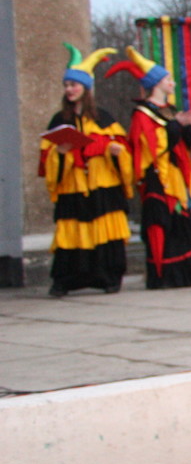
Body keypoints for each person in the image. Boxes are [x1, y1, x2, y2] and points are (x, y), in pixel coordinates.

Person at [120, 48, 191, 289]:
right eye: (168, 80)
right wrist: (176, 126)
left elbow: (181, 145)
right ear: (156, 84)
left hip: (178, 176)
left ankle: (190, 271)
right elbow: (150, 146)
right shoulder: (143, 114)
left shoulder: (170, 110)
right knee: (165, 222)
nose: (172, 83)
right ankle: (165, 273)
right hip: (159, 178)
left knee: (186, 218)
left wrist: (187, 129)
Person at [39, 46, 133, 297]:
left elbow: (124, 150)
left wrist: (116, 152)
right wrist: (60, 154)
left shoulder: (105, 118)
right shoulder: (58, 120)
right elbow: (47, 158)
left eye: (74, 85)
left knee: (107, 231)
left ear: (86, 88)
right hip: (74, 186)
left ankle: (109, 277)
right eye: (67, 85)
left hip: (103, 185)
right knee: (71, 233)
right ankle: (65, 281)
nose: (69, 89)